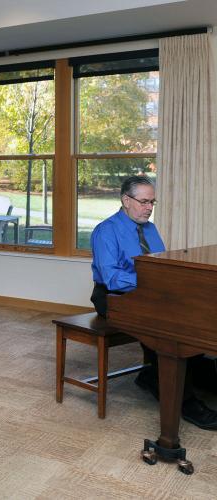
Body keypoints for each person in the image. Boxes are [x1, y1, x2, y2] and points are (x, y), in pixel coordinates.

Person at [90, 175, 217, 430]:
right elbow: (112, 278)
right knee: (173, 330)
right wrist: (153, 283)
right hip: (113, 296)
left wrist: (166, 282)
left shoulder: (149, 227)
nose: (149, 207)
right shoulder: (106, 231)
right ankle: (185, 400)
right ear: (126, 200)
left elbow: (161, 264)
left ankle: (171, 375)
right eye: (144, 202)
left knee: (191, 317)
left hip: (150, 292)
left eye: (152, 202)